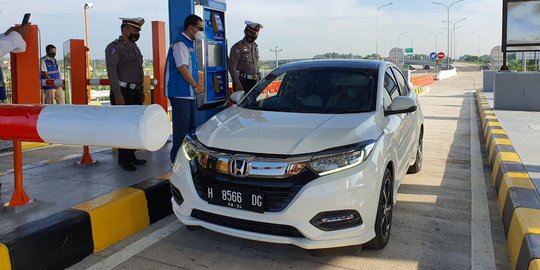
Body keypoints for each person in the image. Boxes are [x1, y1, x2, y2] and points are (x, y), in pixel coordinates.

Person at [105, 17, 147, 171]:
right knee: (123, 126)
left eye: (138, 31)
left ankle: (131, 155)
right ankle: (123, 159)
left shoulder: (134, 47)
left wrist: (140, 91)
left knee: (134, 126)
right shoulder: (114, 47)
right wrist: (118, 94)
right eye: (134, 30)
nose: (137, 33)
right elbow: (112, 73)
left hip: (135, 91)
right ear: (125, 30)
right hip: (122, 92)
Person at [165, 14, 205, 163]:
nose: (202, 32)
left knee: (190, 128)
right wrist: (195, 85)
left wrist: (199, 83)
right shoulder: (180, 45)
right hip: (180, 93)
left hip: (188, 93)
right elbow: (181, 68)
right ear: (191, 28)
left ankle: (186, 161)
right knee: (181, 131)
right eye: (200, 28)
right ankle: (176, 161)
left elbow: (193, 69)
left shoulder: (189, 45)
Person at [228, 20, 263, 92]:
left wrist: (259, 80)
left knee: (253, 103)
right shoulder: (238, 47)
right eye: (251, 33)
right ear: (245, 32)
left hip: (254, 82)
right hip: (242, 82)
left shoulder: (255, 47)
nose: (254, 36)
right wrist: (237, 83)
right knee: (242, 103)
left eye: (256, 34)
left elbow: (255, 65)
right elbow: (232, 66)